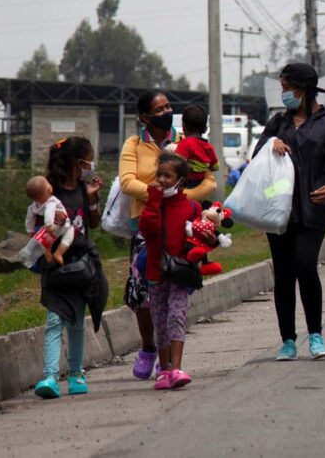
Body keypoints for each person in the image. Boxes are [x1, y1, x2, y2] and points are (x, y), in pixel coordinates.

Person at [250, 62, 325, 362]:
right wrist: (273, 144)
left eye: (286, 88)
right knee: (283, 274)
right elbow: (257, 156)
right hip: (278, 211)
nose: (283, 94)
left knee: (305, 265)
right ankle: (287, 340)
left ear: (302, 89)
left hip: (314, 209)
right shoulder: (277, 122)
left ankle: (316, 334)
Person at [120, 91, 216, 380]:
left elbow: (209, 181)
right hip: (145, 224)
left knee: (175, 294)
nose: (166, 111)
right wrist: (157, 194)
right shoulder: (135, 144)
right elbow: (127, 181)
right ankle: (149, 348)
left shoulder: (189, 142)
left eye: (169, 106)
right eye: (159, 108)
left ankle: (170, 364)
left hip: (179, 224)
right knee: (143, 295)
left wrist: (180, 197)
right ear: (145, 117)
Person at [34, 137, 108, 399]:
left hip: (80, 265)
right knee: (55, 319)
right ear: (79, 162)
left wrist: (92, 199)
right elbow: (35, 223)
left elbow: (94, 223)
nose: (91, 165)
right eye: (89, 159)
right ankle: (50, 376)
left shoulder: (82, 188)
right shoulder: (50, 191)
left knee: (76, 322)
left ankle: (76, 373)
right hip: (55, 264)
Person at [136, 153, 198, 390]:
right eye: (158, 174)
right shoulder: (153, 205)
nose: (161, 179)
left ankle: (177, 368)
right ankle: (163, 369)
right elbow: (146, 228)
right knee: (160, 321)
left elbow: (199, 236)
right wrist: (153, 201)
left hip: (180, 273)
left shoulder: (189, 206)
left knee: (176, 316)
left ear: (181, 180)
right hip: (155, 273)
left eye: (167, 176)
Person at [22, 176, 75, 266]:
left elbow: (29, 218)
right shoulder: (51, 201)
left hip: (49, 229)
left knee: (46, 240)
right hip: (62, 225)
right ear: (48, 189)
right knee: (70, 233)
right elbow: (49, 212)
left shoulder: (34, 206)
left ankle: (48, 253)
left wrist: (30, 230)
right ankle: (59, 253)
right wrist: (49, 224)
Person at [172, 104, 219, 189]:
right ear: (205, 129)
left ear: (183, 127)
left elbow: (177, 164)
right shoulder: (209, 147)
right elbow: (215, 167)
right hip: (202, 184)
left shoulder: (185, 144)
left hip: (186, 185)